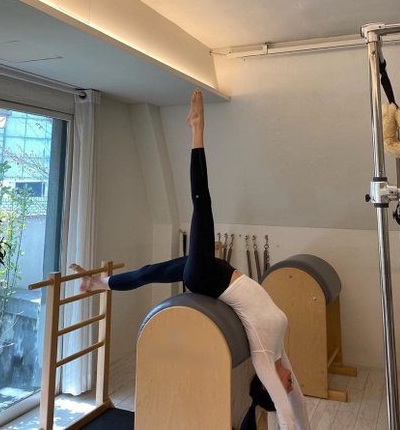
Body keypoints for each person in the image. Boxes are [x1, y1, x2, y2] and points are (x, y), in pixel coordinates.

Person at [71, 91, 311, 430]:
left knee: (202, 202)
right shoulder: (279, 354)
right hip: (220, 272)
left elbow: (286, 414)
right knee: (151, 272)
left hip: (208, 277)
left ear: (269, 387)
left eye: (284, 388)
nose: (291, 385)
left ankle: (196, 128)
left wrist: (289, 416)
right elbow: (297, 407)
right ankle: (97, 283)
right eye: (289, 385)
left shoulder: (263, 360)